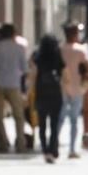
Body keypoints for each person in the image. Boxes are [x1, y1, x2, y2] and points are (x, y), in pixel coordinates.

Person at [0, 23, 29, 153]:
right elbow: (25, 69)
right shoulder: (19, 48)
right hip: (14, 84)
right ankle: (21, 143)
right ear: (13, 34)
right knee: (19, 115)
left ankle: (3, 143)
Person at [28, 35, 66, 164]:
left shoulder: (37, 56)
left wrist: (29, 91)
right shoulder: (57, 55)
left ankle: (45, 150)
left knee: (42, 124)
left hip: (41, 93)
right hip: (55, 94)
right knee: (54, 124)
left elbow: (33, 74)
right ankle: (53, 148)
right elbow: (64, 75)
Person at [59, 24, 88, 159]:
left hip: (62, 86)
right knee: (74, 120)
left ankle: (53, 143)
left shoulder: (60, 49)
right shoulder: (80, 50)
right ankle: (72, 149)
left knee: (60, 118)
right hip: (77, 87)